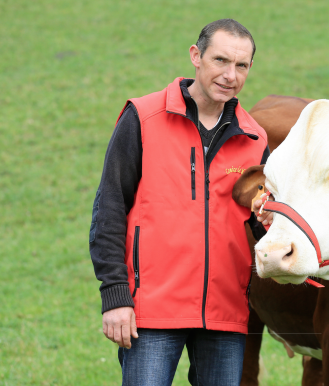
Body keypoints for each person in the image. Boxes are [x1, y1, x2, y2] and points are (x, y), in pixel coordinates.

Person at [89, 19, 273, 386]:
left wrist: (270, 220)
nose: (230, 75)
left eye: (241, 66)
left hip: (224, 313)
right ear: (196, 56)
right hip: (152, 311)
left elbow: (259, 223)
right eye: (220, 60)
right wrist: (115, 296)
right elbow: (109, 209)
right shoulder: (143, 117)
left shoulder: (255, 138)